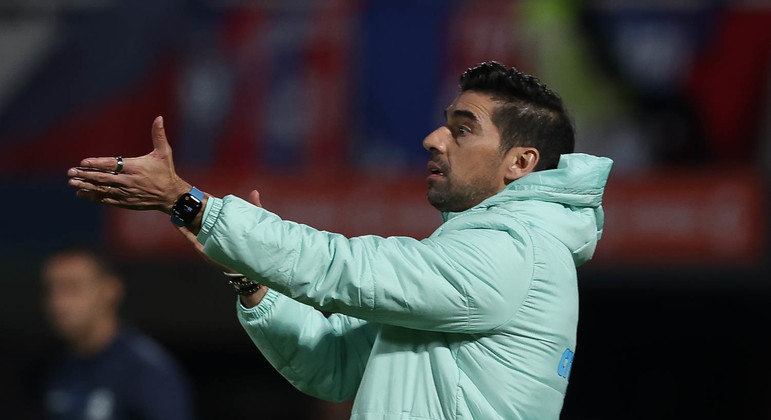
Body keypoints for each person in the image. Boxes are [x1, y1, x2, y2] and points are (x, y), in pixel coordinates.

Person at [67, 62, 613, 419]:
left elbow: (345, 269)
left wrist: (190, 203)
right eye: (445, 123)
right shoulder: (475, 254)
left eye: (463, 128)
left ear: (520, 162)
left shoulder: (517, 251)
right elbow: (332, 365)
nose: (434, 138)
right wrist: (250, 279)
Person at [42, 248, 195, 420]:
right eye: (52, 290)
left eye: (73, 288)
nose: (59, 303)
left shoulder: (145, 370)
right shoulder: (58, 367)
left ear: (111, 290)